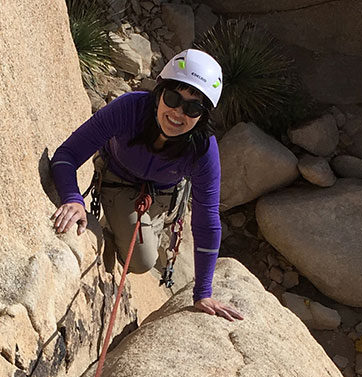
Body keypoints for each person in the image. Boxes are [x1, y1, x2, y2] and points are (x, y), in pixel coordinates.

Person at [49, 48, 244, 321]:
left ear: (203, 116)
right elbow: (66, 155)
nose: (178, 112)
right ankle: (117, 224)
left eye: (193, 107)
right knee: (141, 259)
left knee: (142, 260)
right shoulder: (130, 109)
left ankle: (142, 222)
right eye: (173, 98)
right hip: (117, 178)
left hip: (163, 192)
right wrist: (72, 198)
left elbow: (207, 220)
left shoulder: (202, 148)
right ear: (159, 93)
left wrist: (203, 293)